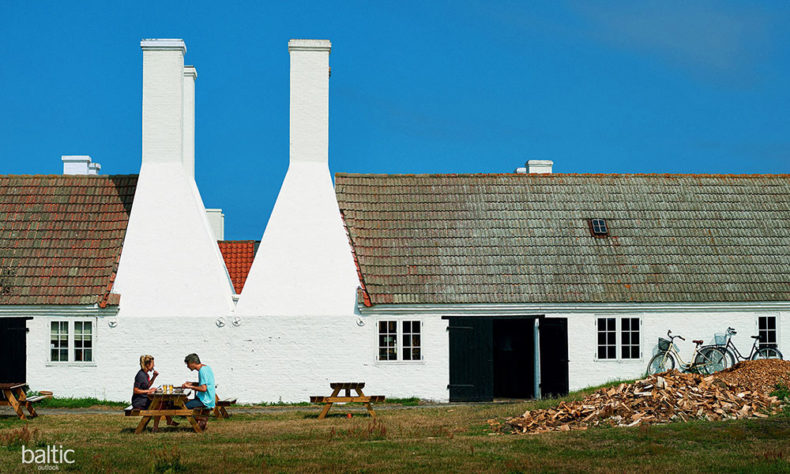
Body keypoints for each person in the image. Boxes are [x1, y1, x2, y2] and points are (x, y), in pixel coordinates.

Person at [132, 355, 177, 431]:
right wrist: (148, 391)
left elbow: (147, 385)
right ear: (147, 365)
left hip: (144, 398)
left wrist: (154, 377)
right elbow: (135, 390)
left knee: (162, 401)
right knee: (159, 403)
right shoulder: (140, 375)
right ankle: (160, 425)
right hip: (139, 401)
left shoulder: (145, 374)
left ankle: (163, 423)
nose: (154, 366)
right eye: (152, 364)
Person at [182, 353, 215, 430]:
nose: (187, 366)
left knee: (183, 408)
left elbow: (203, 388)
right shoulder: (206, 368)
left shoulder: (201, 371)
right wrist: (192, 383)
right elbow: (205, 383)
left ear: (192, 363)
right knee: (186, 403)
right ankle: (200, 422)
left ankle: (200, 421)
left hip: (205, 400)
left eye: (188, 364)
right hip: (209, 398)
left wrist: (190, 387)